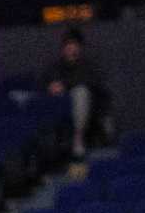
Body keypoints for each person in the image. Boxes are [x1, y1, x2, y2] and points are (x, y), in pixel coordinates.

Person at [43, 27, 108, 158]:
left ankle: (78, 139)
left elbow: (90, 83)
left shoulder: (88, 66)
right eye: (68, 45)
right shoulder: (55, 67)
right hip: (60, 110)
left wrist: (65, 86)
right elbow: (44, 82)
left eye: (74, 45)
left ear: (80, 47)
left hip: (88, 111)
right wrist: (51, 87)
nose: (71, 48)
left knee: (81, 92)